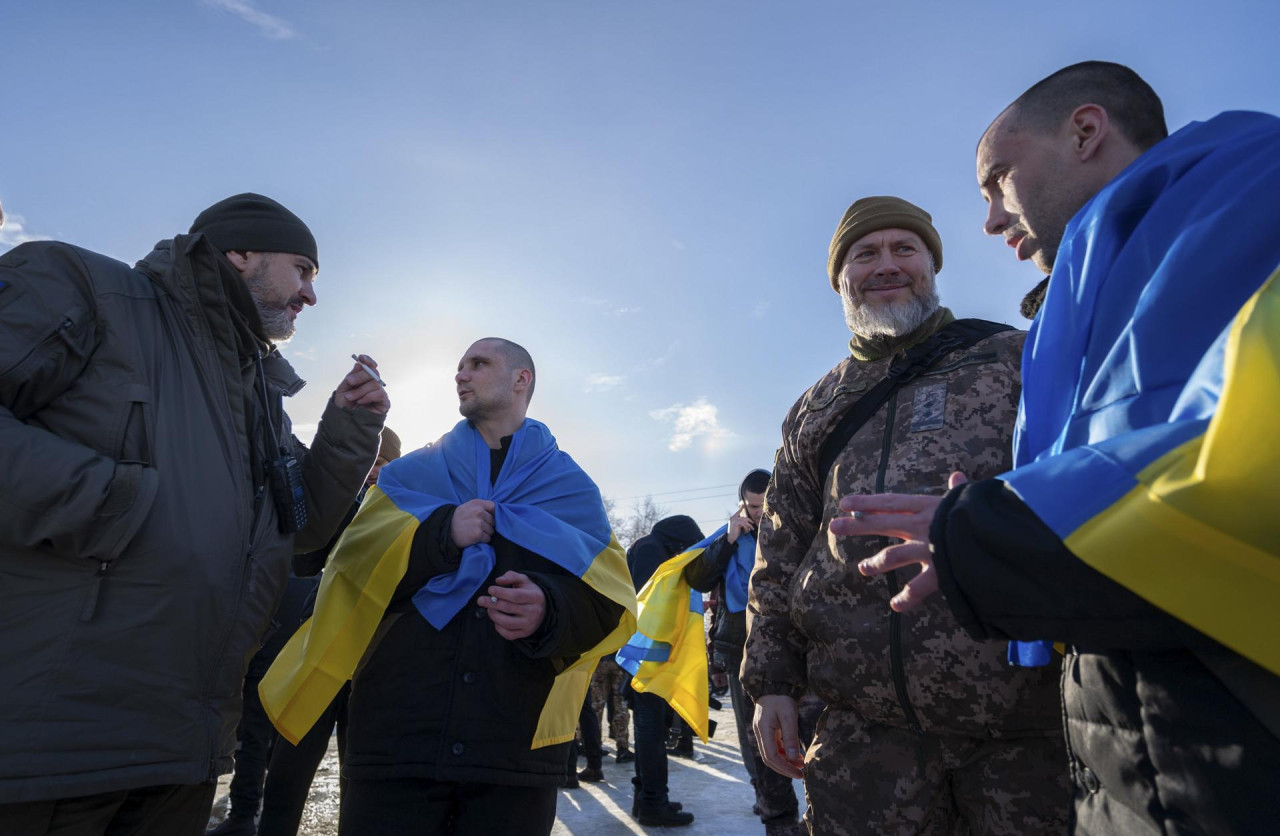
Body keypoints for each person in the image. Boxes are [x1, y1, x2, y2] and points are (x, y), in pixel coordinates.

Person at [844, 61, 1280, 835]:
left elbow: (1242, 461)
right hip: (1139, 735)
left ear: (1084, 131)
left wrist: (989, 535)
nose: (987, 219)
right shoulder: (1087, 289)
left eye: (997, 179)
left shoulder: (1258, 196)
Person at [0, 193, 388, 835]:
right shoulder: (88, 290)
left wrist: (349, 427)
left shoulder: (258, 385)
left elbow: (301, 533)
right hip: (54, 744)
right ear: (241, 254)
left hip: (183, 752)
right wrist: (114, 503)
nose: (311, 295)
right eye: (303, 270)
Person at [744, 196, 1069, 835]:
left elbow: (1070, 495)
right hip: (863, 736)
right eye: (865, 254)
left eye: (904, 249)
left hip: (1017, 728)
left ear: (931, 264)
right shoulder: (815, 408)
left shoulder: (1012, 360)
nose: (886, 265)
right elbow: (778, 553)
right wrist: (770, 683)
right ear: (841, 278)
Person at [259, 338, 636, 836]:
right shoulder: (410, 473)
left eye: (478, 364)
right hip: (397, 742)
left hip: (512, 752)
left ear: (522, 380)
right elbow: (348, 576)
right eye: (458, 367)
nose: (461, 375)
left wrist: (550, 610)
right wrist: (438, 535)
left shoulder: (572, 487)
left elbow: (609, 603)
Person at [203, 427, 404, 836]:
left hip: (370, 662)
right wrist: (340, 504)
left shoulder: (407, 513)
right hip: (318, 652)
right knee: (287, 765)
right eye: (367, 465)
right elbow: (305, 560)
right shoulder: (338, 509)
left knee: (357, 770)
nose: (371, 473)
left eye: (381, 465)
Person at [684, 469, 803, 836]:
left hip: (794, 643)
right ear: (742, 504)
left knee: (806, 724)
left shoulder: (793, 526)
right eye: (752, 506)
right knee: (754, 733)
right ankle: (773, 809)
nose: (758, 513)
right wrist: (729, 540)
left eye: (764, 505)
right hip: (741, 648)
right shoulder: (730, 536)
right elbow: (697, 578)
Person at [624, 515, 705, 828]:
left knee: (648, 731)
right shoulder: (651, 550)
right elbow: (652, 605)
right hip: (649, 658)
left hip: (642, 656)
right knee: (650, 732)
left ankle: (645, 798)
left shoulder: (648, 545)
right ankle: (653, 803)